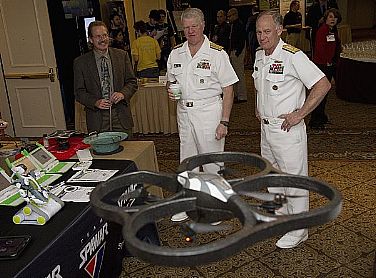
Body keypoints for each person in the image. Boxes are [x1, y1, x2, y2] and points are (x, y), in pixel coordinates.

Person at [252, 10, 331, 248]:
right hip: (266, 129)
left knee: (294, 179)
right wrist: (259, 107)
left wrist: (300, 114)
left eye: (267, 31)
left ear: (279, 30)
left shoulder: (292, 56)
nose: (262, 37)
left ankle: (299, 229)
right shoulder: (259, 55)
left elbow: (322, 84)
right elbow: (261, 87)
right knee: (274, 178)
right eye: (258, 32)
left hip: (287, 129)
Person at [166, 8, 239, 222]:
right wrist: (170, 90)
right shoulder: (175, 52)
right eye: (186, 27)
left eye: (194, 26)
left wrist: (224, 121)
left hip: (209, 112)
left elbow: (228, 89)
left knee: (211, 163)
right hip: (184, 112)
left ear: (203, 25)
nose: (190, 31)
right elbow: (170, 81)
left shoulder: (217, 53)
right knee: (187, 160)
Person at [74, 21, 138, 134]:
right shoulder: (80, 63)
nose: (102, 39)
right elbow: (79, 92)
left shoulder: (122, 56)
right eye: (98, 36)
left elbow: (132, 82)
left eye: (104, 35)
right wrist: (95, 102)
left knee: (128, 150)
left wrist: (123, 93)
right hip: (97, 119)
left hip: (120, 115)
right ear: (91, 39)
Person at [309, 8, 342, 129]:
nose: (333, 19)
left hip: (329, 65)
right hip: (323, 65)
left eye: (335, 17)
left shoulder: (332, 30)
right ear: (326, 18)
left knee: (324, 95)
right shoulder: (323, 30)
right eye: (330, 17)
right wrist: (327, 62)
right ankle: (315, 121)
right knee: (320, 94)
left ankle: (321, 117)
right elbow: (320, 49)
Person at [227, 8, 247, 103]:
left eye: (229, 16)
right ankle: (237, 94)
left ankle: (242, 96)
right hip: (234, 51)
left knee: (239, 74)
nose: (228, 18)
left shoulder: (239, 25)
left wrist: (237, 52)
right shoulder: (233, 25)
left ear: (235, 15)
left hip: (237, 51)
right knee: (234, 74)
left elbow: (242, 40)